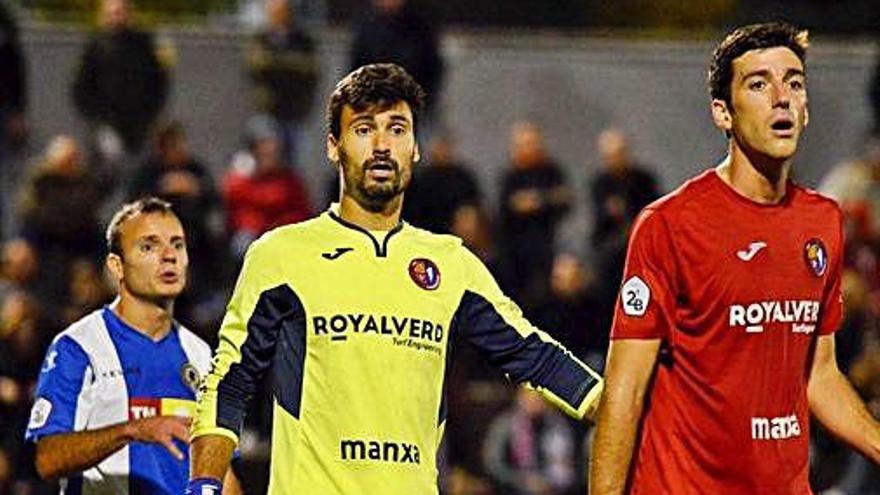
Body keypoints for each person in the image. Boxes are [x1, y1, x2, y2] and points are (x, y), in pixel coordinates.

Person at [187, 63, 603, 495]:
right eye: (365, 129)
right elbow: (230, 380)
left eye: (398, 129)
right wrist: (203, 484)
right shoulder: (281, 256)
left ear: (415, 148)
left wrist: (617, 406)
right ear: (334, 146)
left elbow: (534, 355)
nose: (383, 145)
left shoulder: (451, 264)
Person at [590, 22, 880, 495]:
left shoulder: (823, 222)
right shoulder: (670, 224)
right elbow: (625, 388)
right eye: (759, 84)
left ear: (806, 110)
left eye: (794, 82)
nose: (781, 97)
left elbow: (818, 373)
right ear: (723, 114)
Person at [23, 198, 239, 494]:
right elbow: (48, 459)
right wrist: (132, 430)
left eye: (177, 245)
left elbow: (219, 471)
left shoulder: (201, 355)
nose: (168, 256)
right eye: (148, 246)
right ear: (117, 265)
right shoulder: (79, 347)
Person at [72, 0, 168, 166]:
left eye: (121, 12)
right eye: (112, 13)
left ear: (129, 14)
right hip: (107, 124)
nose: (117, 17)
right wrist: (96, 118)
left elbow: (159, 81)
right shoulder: (95, 45)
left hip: (140, 125)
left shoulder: (143, 44)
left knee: (139, 171)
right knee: (111, 167)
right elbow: (81, 87)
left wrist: (151, 114)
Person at [246, 0, 319, 167]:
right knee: (264, 160)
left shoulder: (302, 39)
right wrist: (291, 65)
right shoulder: (261, 38)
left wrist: (278, 63)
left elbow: (310, 68)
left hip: (294, 111)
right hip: (268, 110)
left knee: (293, 163)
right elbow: (257, 65)